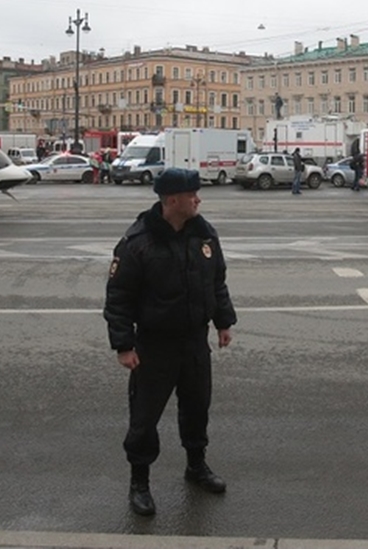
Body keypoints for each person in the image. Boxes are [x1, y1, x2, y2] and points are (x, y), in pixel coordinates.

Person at [104, 167, 237, 517]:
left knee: (197, 408)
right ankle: (140, 482)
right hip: (154, 346)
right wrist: (124, 346)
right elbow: (119, 298)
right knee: (144, 418)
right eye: (193, 194)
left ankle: (196, 466)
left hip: (194, 342)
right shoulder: (138, 243)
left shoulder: (204, 235)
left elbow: (217, 282)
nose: (199, 199)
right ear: (173, 200)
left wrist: (223, 322)